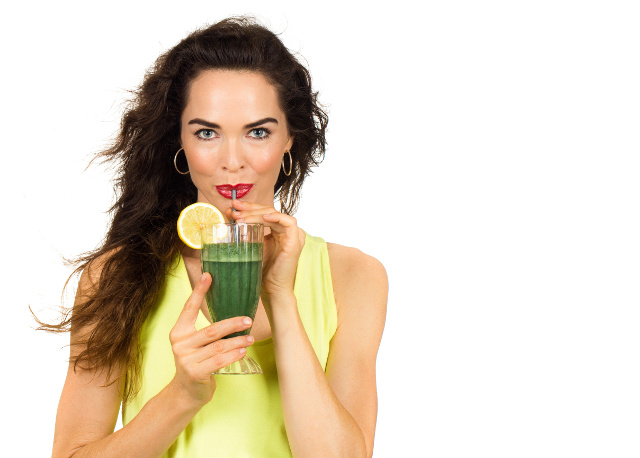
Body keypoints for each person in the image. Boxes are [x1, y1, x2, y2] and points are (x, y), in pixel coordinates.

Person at [45, 16, 387, 458]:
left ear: (289, 141)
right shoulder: (115, 275)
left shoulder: (353, 276)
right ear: (181, 146)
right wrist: (181, 395)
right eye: (207, 132)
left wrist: (281, 297)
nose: (231, 161)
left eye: (258, 132)